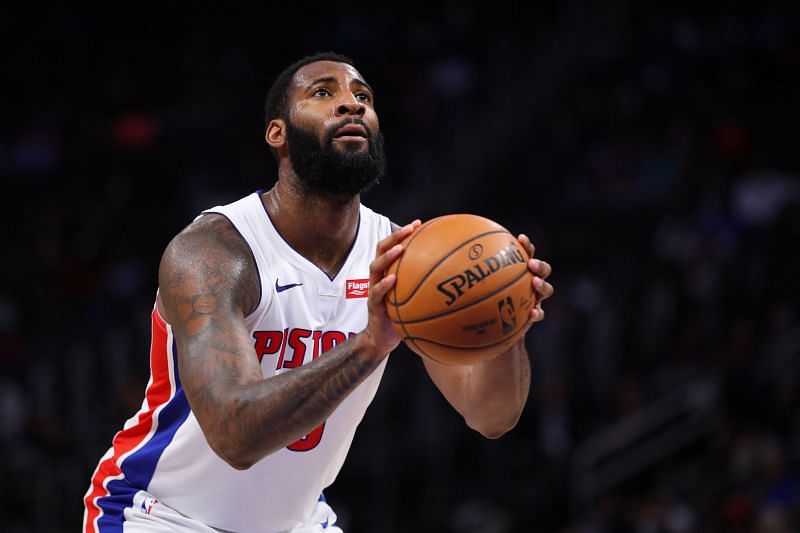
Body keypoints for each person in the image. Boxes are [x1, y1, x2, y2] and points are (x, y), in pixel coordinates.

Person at [82, 52, 554, 533]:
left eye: (363, 97)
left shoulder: (402, 260)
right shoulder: (215, 252)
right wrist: (371, 344)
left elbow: (490, 414)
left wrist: (507, 320)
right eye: (323, 93)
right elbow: (235, 434)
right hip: (160, 514)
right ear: (278, 134)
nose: (351, 105)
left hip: (297, 522)